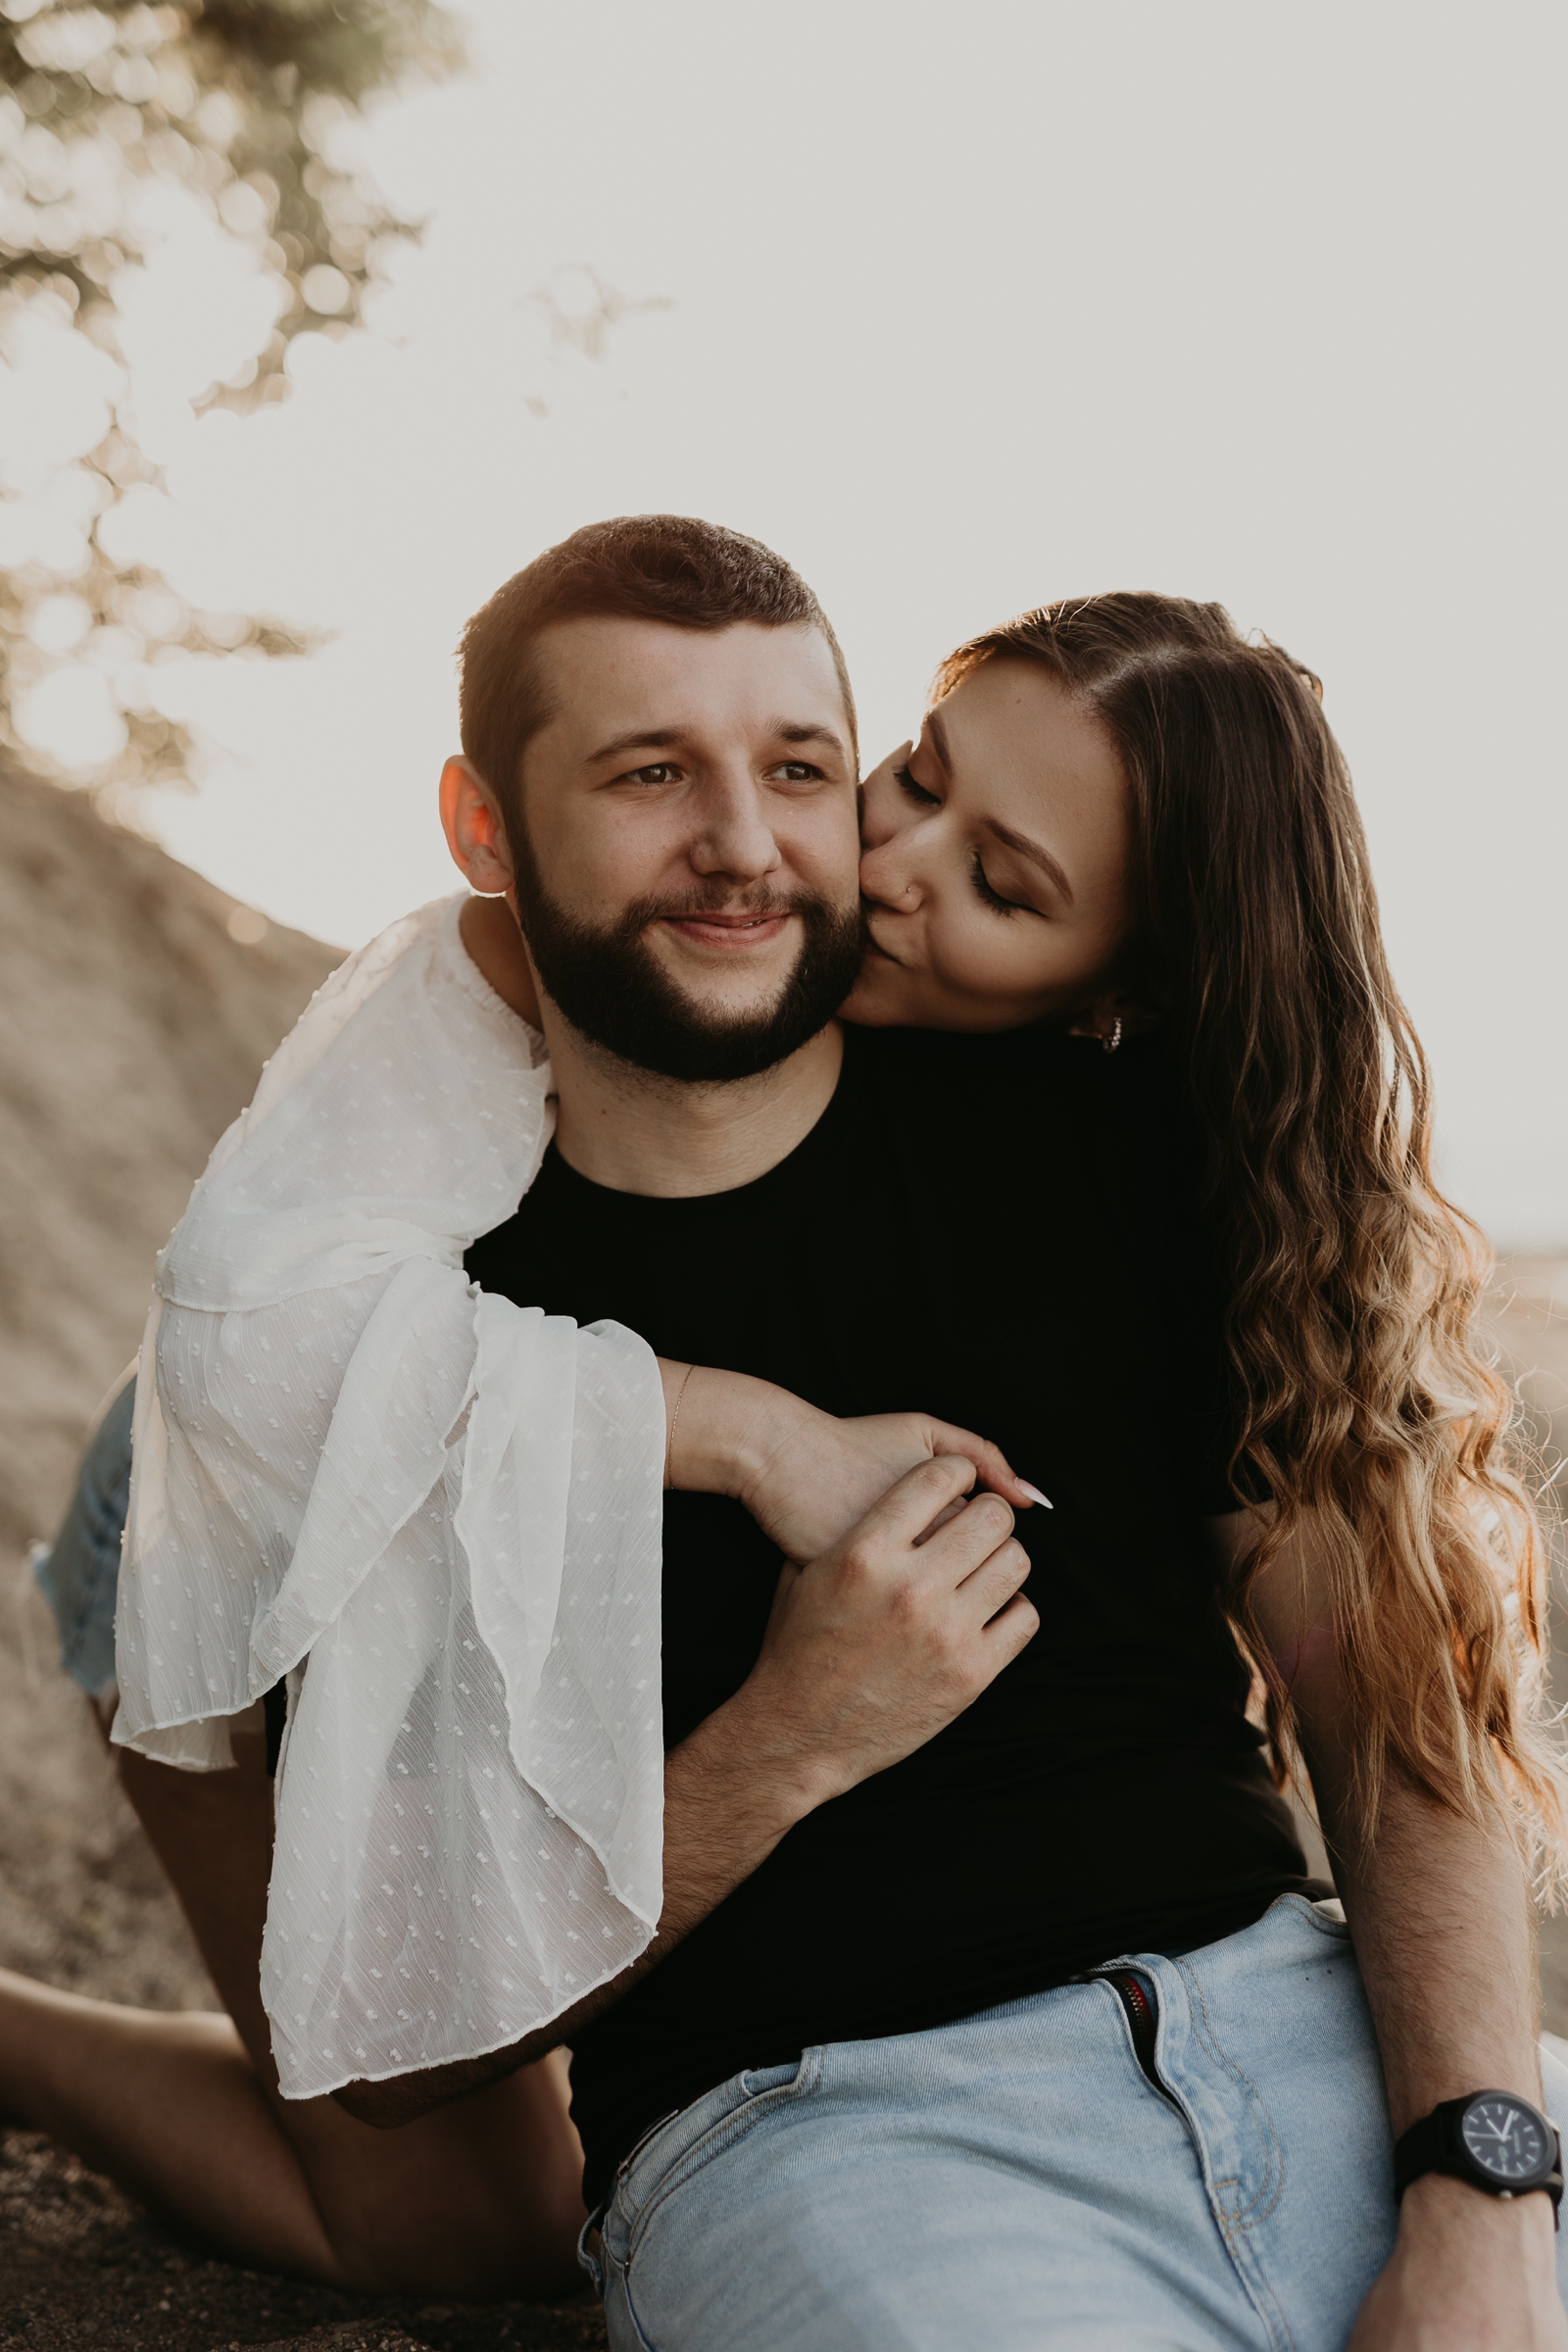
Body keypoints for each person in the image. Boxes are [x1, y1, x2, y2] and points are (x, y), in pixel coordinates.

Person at [18, 517, 1568, 2350]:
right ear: (485, 833)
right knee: (446, 2216)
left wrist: (1480, 2183)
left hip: (1290, 2026)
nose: (808, 854)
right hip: (217, 1520)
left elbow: (1390, 1702)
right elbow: (403, 2029)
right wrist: (786, 1734)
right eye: (912, 784)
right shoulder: (415, 1298)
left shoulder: (1134, 1150)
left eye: (809, 776)